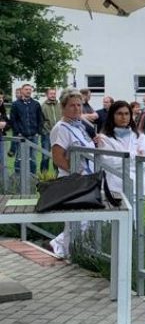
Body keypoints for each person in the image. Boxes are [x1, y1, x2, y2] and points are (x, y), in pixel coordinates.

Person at [49, 89, 96, 258]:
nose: (77, 109)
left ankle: (70, 248)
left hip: (88, 181)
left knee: (87, 221)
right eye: (72, 106)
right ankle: (71, 255)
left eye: (79, 105)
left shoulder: (79, 125)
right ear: (63, 107)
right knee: (76, 221)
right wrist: (75, 172)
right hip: (72, 182)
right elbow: (58, 157)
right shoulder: (61, 128)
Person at [94, 100, 145, 203]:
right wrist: (134, 156)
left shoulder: (140, 137)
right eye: (119, 114)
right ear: (112, 116)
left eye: (126, 114)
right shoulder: (104, 138)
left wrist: (123, 161)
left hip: (137, 188)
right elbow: (108, 162)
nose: (124, 117)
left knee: (136, 219)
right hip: (115, 189)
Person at [10, 83, 43, 175]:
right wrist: (18, 132)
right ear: (22, 91)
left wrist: (38, 132)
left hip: (34, 136)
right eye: (26, 89)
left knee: (33, 158)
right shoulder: (15, 104)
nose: (28, 91)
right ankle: (17, 176)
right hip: (21, 136)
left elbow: (40, 119)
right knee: (19, 158)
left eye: (30, 89)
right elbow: (13, 120)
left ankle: (32, 177)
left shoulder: (36, 104)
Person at [39, 88, 60, 174]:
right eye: (51, 94)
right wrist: (46, 131)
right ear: (47, 95)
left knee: (57, 155)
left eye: (54, 94)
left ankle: (58, 174)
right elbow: (41, 120)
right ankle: (44, 175)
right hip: (47, 134)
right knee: (45, 156)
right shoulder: (43, 106)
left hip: (58, 134)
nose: (53, 95)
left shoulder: (60, 105)